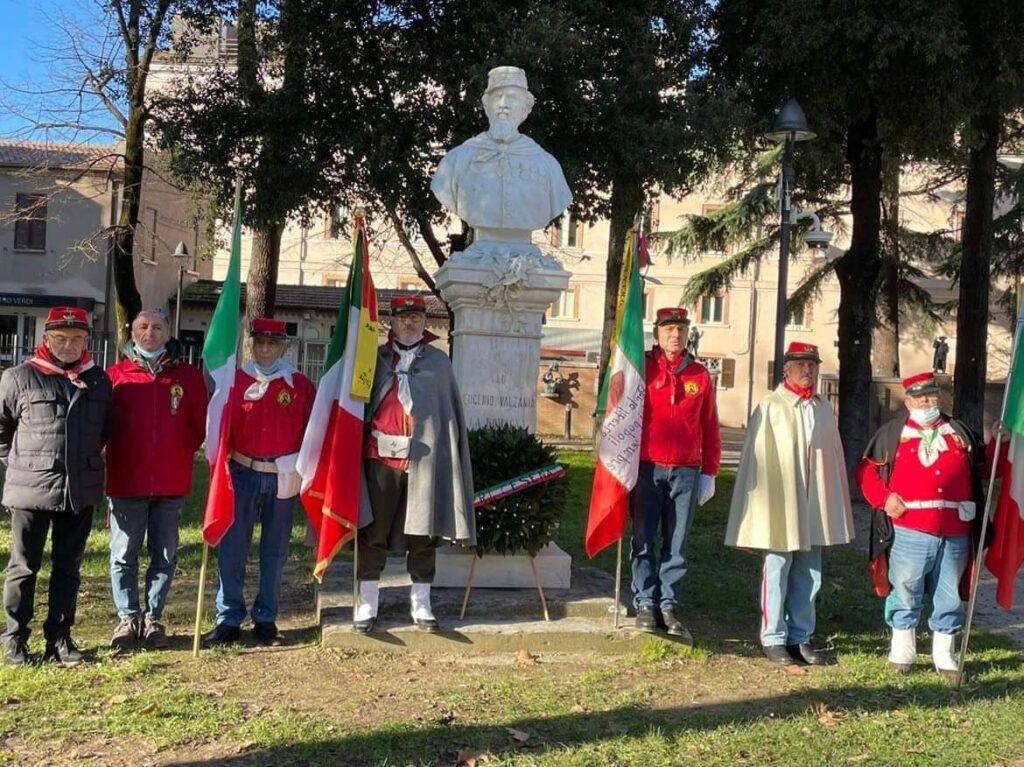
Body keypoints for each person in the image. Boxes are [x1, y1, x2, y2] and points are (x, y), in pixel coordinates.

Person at [725, 342, 854, 665]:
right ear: (786, 368)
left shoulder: (822, 408)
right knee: (778, 567)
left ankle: (801, 636)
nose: (807, 370)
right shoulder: (771, 406)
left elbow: (831, 458)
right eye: (800, 364)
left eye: (812, 364)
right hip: (781, 501)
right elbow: (758, 459)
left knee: (810, 572)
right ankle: (773, 636)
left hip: (813, 501)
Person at [352, 296, 476, 634]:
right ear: (392, 320)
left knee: (424, 533)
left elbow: (446, 413)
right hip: (380, 457)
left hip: (425, 460)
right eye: (403, 317)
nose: (409, 323)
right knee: (373, 532)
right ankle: (367, 602)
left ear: (425, 321)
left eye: (416, 317)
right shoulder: (374, 360)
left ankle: (421, 602)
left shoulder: (438, 363)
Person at [0, 307, 112, 666]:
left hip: (78, 490)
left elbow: (105, 431)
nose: (68, 345)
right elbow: (2, 430)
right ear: (46, 338)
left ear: (86, 341)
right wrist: (21, 465)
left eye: (76, 339)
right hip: (30, 489)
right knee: (23, 567)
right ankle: (15, 639)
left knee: (69, 568)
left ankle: (60, 638)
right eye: (60, 338)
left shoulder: (98, 381)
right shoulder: (19, 377)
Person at [856, 372, 983, 682]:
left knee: (949, 593)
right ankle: (903, 648)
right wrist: (885, 500)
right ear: (908, 399)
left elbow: (986, 466)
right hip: (910, 527)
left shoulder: (959, 433)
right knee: (906, 586)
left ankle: (944, 653)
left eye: (932, 395)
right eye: (921, 396)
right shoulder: (892, 434)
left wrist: (1004, 443)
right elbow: (866, 474)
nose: (928, 401)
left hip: (954, 529)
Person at [202, 318, 315, 647]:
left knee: (274, 552)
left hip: (282, 476)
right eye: (260, 343)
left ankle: (266, 617)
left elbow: (314, 431)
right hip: (242, 474)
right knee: (232, 549)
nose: (266, 349)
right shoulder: (234, 383)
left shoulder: (300, 386)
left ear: (284, 346)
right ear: (251, 344)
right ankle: (228, 617)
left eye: (273, 343)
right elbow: (219, 429)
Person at [105, 309, 207, 651]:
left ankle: (153, 618)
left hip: (170, 481)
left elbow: (198, 426)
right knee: (124, 554)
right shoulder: (114, 376)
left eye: (157, 327)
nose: (150, 332)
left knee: (164, 555)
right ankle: (127, 617)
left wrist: (174, 453)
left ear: (168, 333)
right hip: (125, 481)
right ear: (132, 332)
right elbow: (103, 427)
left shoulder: (188, 377)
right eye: (143, 327)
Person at [631, 307, 721, 641]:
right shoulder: (642, 367)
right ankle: (644, 601)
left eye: (681, 330)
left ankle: (667, 604)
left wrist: (709, 471)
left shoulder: (699, 373)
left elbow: (709, 426)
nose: (675, 335)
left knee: (677, 542)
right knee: (642, 539)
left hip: (685, 470)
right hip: (646, 466)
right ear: (656, 333)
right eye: (668, 329)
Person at [431, 66, 571, 241]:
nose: (503, 104)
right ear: (486, 105)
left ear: (527, 107)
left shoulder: (547, 165)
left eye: (512, 97)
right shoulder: (457, 160)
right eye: (497, 97)